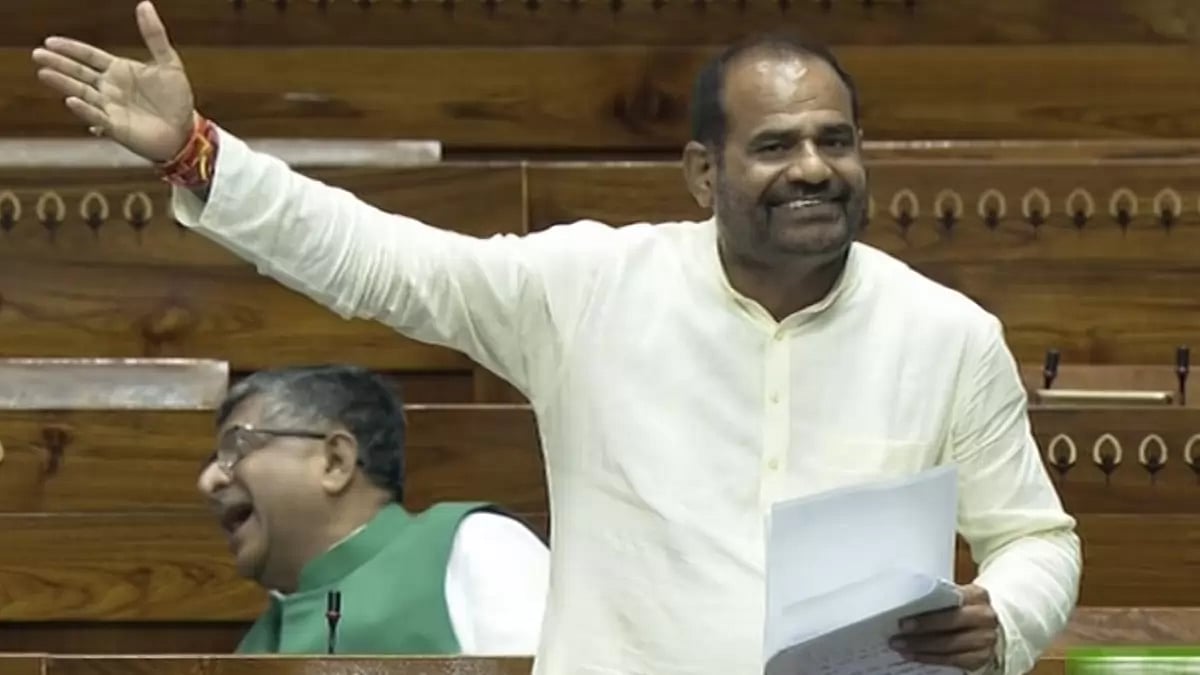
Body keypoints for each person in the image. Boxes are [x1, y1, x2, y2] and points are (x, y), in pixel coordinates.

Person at [32, 5, 1082, 674]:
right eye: (774, 145)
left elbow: (1038, 540)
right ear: (704, 175)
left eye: (835, 140)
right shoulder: (587, 289)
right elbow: (378, 259)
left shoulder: (946, 334)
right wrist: (195, 154)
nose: (813, 167)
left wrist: (1008, 618)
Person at [197, 364, 549, 655]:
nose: (209, 481)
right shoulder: (257, 646)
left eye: (236, 448)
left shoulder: (475, 546)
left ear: (336, 462)